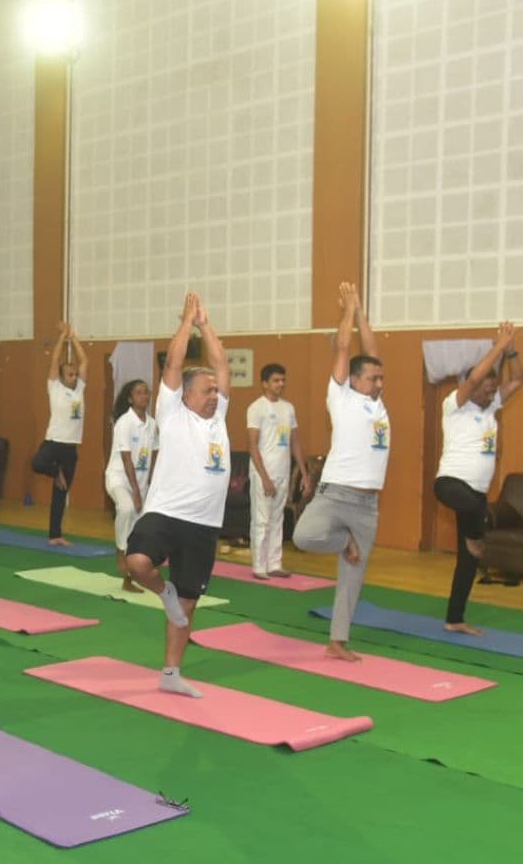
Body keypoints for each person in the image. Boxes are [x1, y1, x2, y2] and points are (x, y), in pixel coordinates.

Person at [123, 292, 230, 697]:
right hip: (166, 512)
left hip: (204, 524)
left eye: (216, 391)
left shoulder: (219, 416)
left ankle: (171, 674)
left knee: (188, 603)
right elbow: (173, 363)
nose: (214, 396)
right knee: (137, 561)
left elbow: (220, 363)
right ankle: (161, 591)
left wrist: (207, 325)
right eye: (207, 390)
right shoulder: (170, 411)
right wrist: (186, 323)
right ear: (185, 394)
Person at [292, 282, 388, 662]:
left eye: (381, 378)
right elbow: (346, 348)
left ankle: (337, 643)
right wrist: (347, 311)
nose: (379, 383)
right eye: (372, 378)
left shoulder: (379, 406)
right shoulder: (341, 396)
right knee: (303, 536)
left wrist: (362, 312)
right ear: (353, 380)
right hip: (336, 494)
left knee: (354, 575)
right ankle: (343, 542)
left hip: (367, 503)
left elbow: (370, 349)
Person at [434, 323, 523, 634]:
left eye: (493, 388)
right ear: (472, 388)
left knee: (468, 562)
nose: (491, 393)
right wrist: (498, 346)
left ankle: (454, 619)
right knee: (474, 513)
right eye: (486, 389)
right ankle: (475, 536)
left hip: (476, 492)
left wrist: (511, 350)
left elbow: (520, 379)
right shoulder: (454, 405)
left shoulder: (491, 407)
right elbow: (474, 377)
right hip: (450, 483)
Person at [246, 364, 311, 579]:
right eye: (275, 380)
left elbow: (294, 442)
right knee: (262, 519)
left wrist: (304, 473)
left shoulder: (288, 408)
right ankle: (259, 565)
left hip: (283, 471)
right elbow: (253, 446)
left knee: (277, 518)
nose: (280, 384)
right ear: (264, 383)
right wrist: (264, 478)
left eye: (283, 380)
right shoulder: (256, 408)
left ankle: (274, 563)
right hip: (263, 472)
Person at [31, 322, 88, 546]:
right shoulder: (55, 388)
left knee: (60, 494)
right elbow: (54, 361)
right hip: (54, 441)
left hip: (71, 447)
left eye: (75, 374)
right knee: (37, 463)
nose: (73, 377)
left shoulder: (80, 390)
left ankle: (55, 535)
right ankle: (57, 473)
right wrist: (62, 336)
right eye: (69, 374)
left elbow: (85, 361)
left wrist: (74, 338)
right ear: (62, 377)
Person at [104, 379, 158, 593]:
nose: (144, 396)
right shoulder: (124, 423)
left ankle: (130, 577)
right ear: (130, 398)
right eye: (138, 393)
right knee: (126, 508)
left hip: (141, 483)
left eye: (146, 392)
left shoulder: (152, 424)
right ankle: (120, 553)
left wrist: (151, 486)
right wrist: (135, 492)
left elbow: (155, 455)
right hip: (119, 479)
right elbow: (126, 460)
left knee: (139, 529)